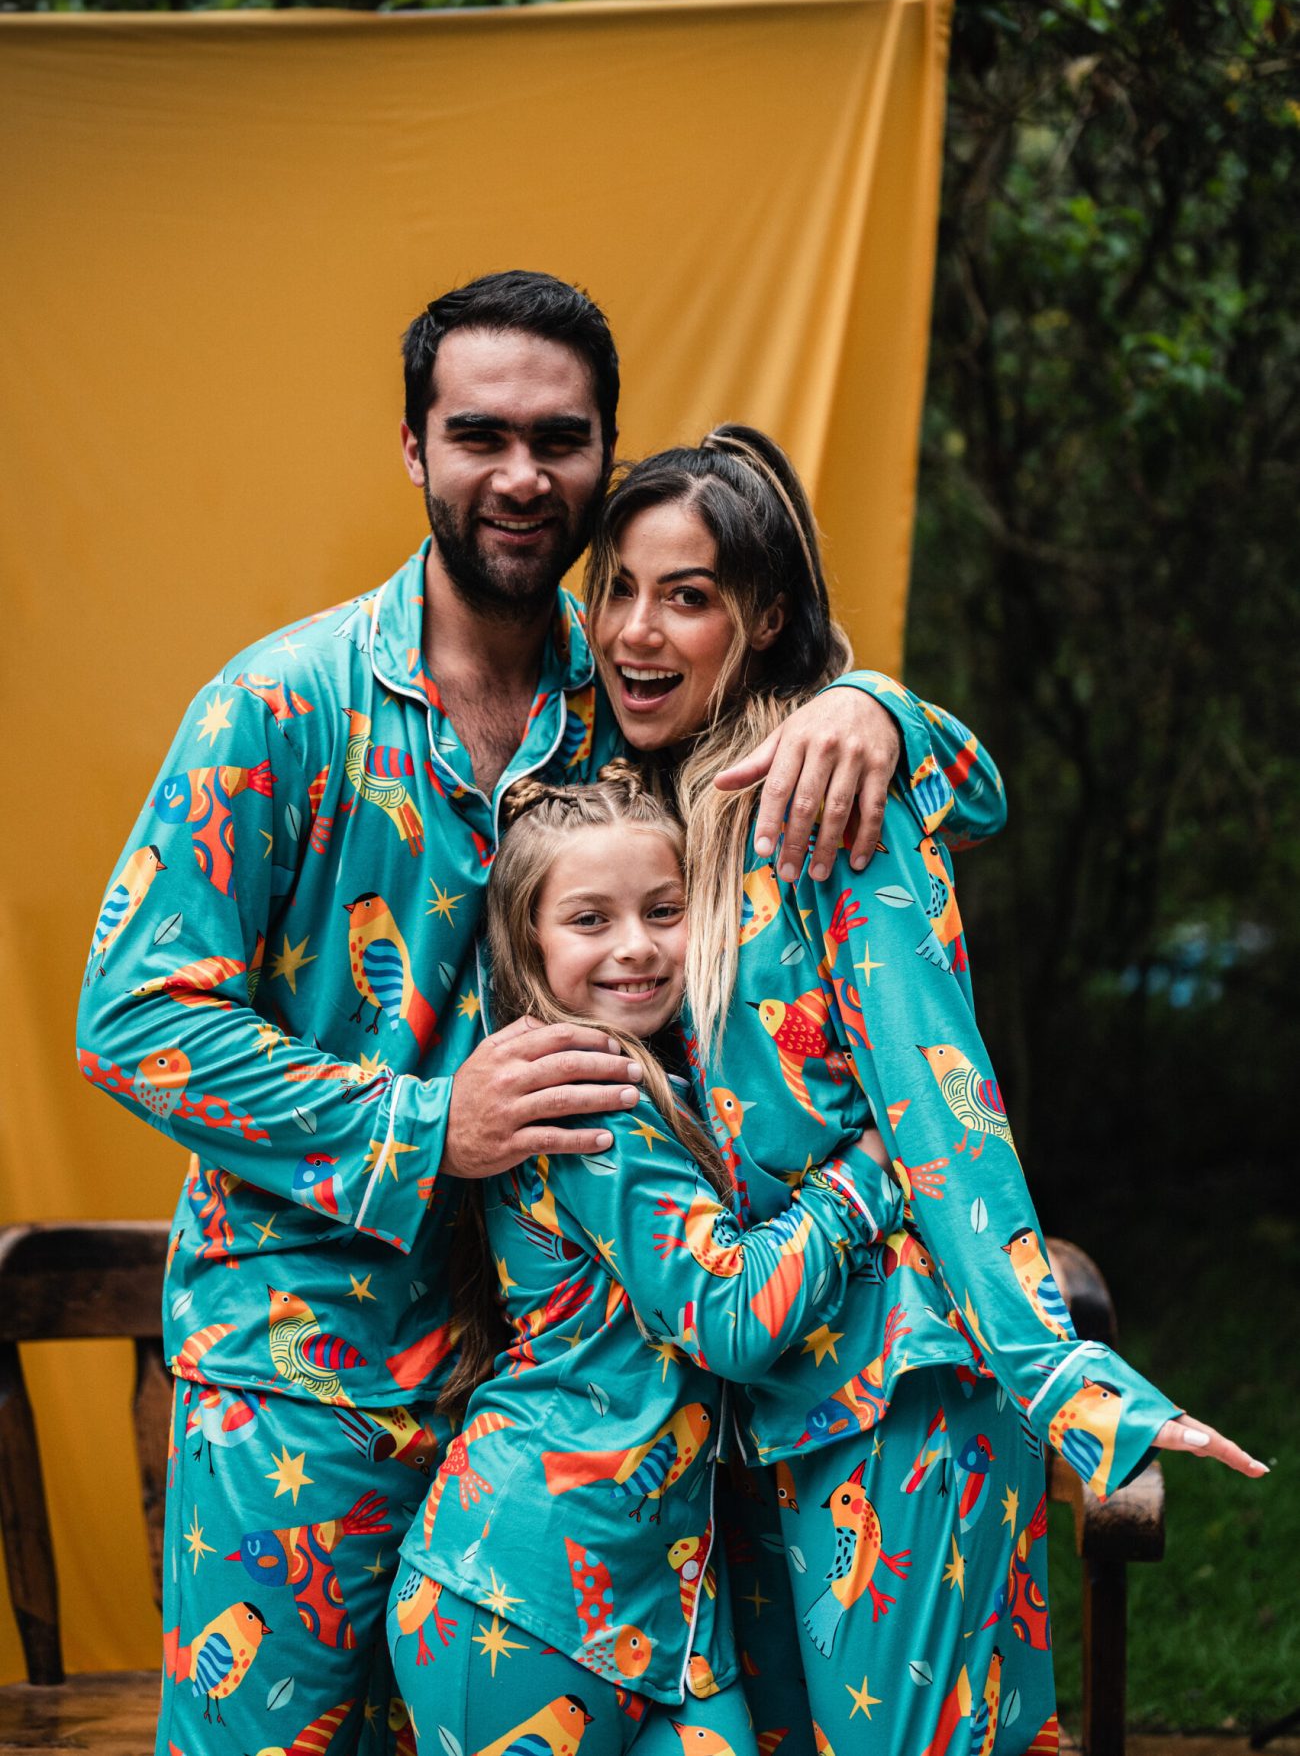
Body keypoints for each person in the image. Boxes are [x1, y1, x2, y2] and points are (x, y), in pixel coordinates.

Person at [76, 275, 928, 1756]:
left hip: (574, 1416)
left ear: (607, 453)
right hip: (309, 1380)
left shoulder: (639, 702)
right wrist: (428, 1125)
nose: (524, 476)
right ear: (414, 450)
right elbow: (133, 1013)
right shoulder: (282, 706)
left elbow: (865, 766)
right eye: (480, 434)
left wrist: (888, 712)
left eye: (562, 437)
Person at [586, 425, 1267, 1755]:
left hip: (896, 1389)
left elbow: (942, 1108)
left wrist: (1064, 1369)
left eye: (689, 592)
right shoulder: (635, 802)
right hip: (743, 1412)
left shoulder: (831, 803)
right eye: (617, 585)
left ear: (767, 616)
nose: (637, 627)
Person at [387, 766, 902, 1751]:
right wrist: (868, 1170)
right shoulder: (589, 1097)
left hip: (667, 1602)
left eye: (662, 909)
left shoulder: (674, 1078)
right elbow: (732, 1316)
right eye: (589, 918)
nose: (636, 945)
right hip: (517, 1596)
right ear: (528, 942)